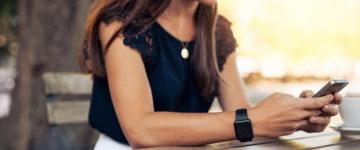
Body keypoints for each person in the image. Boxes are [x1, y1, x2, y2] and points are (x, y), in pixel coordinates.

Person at [80, 0, 342, 149]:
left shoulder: (217, 31)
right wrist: (253, 119)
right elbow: (140, 130)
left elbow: (246, 118)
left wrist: (295, 116)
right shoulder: (121, 22)